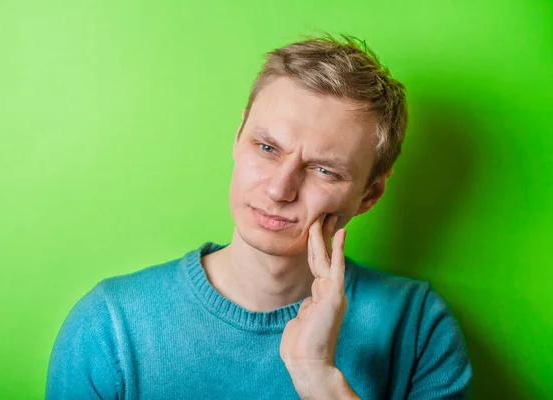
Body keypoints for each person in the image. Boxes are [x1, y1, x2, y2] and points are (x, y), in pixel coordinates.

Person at [45, 33, 472, 399]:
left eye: (324, 170)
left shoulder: (418, 328)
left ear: (370, 194)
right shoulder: (110, 326)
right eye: (267, 148)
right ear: (238, 139)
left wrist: (318, 378)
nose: (279, 189)